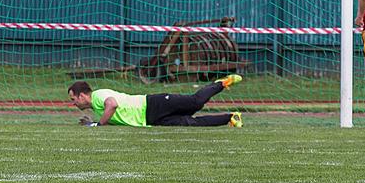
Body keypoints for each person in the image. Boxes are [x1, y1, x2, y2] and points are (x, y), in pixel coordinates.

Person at [68, 75, 243, 127]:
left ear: (82, 95)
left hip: (153, 104)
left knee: (195, 102)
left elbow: (112, 104)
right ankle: (231, 117)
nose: (73, 103)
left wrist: (99, 125)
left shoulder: (98, 95)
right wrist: (93, 123)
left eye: (73, 99)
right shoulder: (98, 110)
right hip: (151, 120)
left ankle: (222, 83)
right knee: (192, 123)